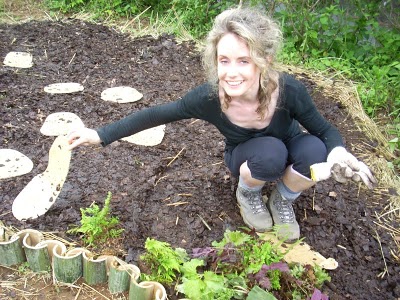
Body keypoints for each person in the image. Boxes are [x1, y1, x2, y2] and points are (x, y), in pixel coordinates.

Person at [67, 6, 376, 242]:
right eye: (224, 60)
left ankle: (283, 199)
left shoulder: (289, 90)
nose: (231, 72)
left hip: (290, 146)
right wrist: (100, 134)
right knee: (270, 152)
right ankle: (249, 194)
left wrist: (338, 153)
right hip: (248, 156)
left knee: (315, 149)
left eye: (244, 60)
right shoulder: (209, 98)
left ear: (263, 61)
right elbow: (157, 114)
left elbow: (325, 130)